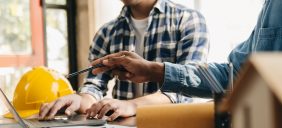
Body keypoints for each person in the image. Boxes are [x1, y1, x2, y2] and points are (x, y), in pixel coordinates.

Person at [39, 0, 210, 121]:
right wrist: (79, 99)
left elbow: (186, 87)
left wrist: (132, 106)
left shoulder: (188, 21)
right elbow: (93, 87)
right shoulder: (106, 33)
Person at [90, 0, 282, 99]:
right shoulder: (271, 6)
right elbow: (236, 75)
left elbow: (180, 98)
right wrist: (154, 71)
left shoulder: (187, 19)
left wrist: (132, 106)